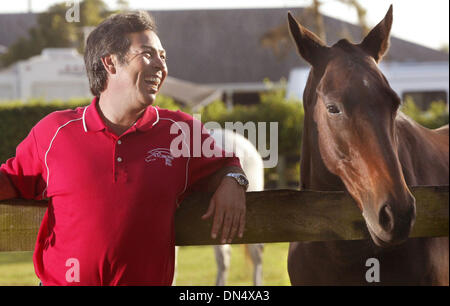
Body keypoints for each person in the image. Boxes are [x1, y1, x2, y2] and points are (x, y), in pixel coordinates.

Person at [0, 11, 248, 286]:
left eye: (163, 56)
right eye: (147, 54)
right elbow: (11, 180)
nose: (160, 66)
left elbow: (227, 165)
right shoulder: (53, 132)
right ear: (110, 63)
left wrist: (234, 180)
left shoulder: (182, 131)